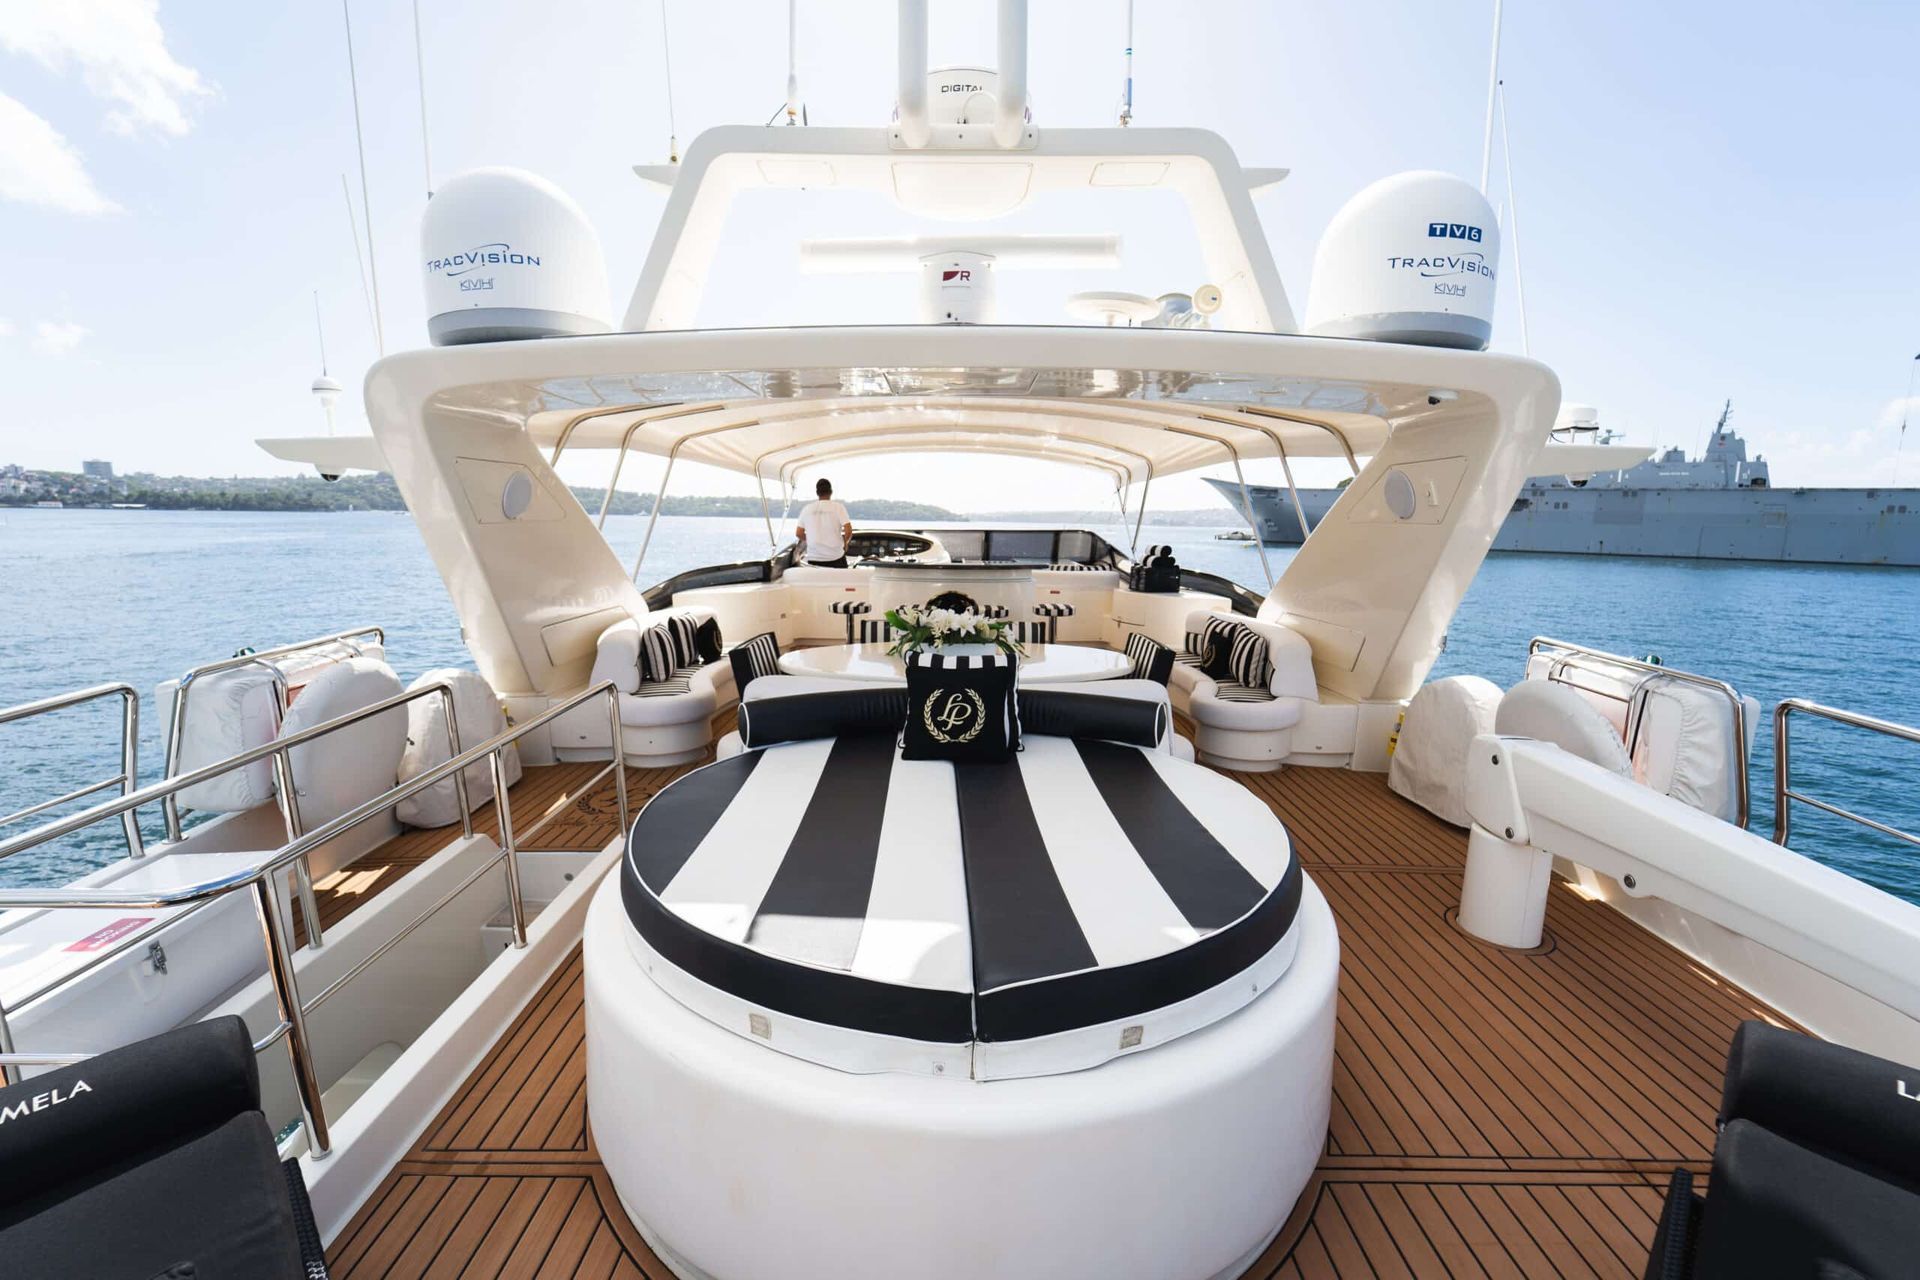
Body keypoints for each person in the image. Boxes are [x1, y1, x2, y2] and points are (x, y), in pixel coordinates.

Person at [795, 477, 853, 567]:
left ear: (817, 493)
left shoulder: (807, 509)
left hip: (813, 559)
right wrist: (845, 543)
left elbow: (799, 533)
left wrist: (811, 539)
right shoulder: (838, 507)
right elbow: (848, 531)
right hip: (836, 557)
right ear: (831, 492)